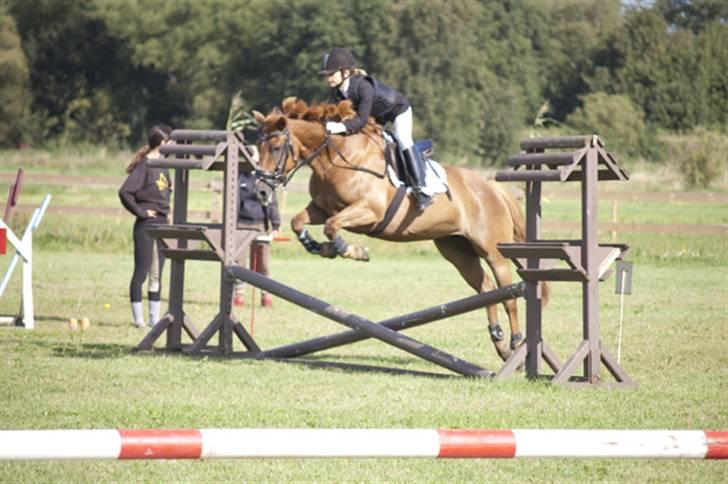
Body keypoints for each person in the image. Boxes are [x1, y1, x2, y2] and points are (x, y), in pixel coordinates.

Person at [319, 47, 433, 211]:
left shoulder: (363, 86)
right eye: (326, 75)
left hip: (397, 110)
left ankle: (422, 189)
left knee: (402, 138)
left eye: (331, 74)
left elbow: (360, 121)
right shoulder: (337, 92)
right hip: (377, 116)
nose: (328, 78)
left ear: (344, 72)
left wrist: (338, 127)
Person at [118, 125, 173, 328]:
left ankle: (154, 319)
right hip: (147, 225)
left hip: (162, 224)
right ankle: (138, 320)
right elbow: (125, 192)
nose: (173, 146)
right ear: (162, 143)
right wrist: (141, 212)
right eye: (171, 142)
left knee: (157, 274)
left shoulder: (165, 165)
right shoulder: (145, 165)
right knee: (141, 272)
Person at [234, 170, 281, 307]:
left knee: (263, 263)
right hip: (241, 224)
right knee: (239, 262)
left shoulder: (265, 179)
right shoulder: (239, 177)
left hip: (260, 225)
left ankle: (266, 295)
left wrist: (276, 224)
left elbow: (273, 203)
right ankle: (239, 294)